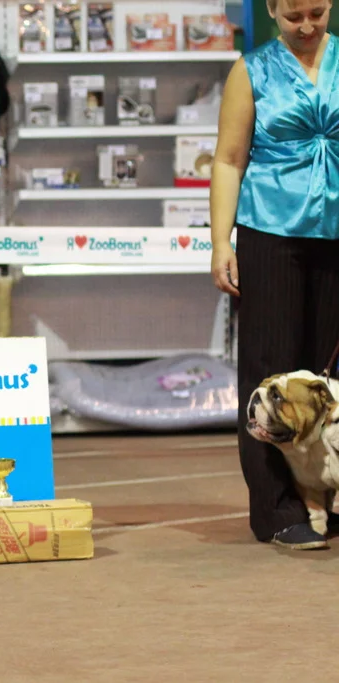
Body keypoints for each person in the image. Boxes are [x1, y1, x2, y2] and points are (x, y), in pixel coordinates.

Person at [210, 0, 339, 550]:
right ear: (271, 10)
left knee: (329, 377)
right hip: (269, 232)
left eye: (317, 12)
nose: (306, 25)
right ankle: (276, 508)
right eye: (293, 17)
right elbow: (228, 159)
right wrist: (221, 241)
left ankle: (326, 499)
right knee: (270, 369)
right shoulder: (250, 70)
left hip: (335, 234)